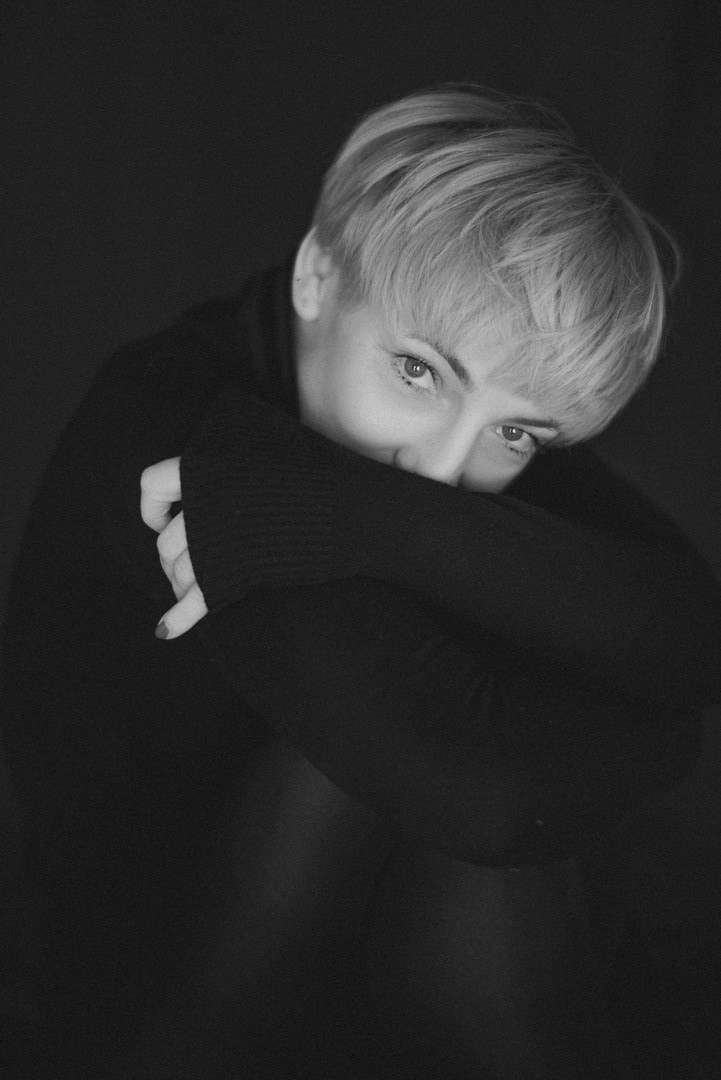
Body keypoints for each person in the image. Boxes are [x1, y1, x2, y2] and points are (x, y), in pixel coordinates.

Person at [3, 84, 720, 1079]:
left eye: (518, 433)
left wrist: (374, 517)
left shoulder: (445, 423)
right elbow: (488, 802)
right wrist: (672, 729)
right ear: (315, 275)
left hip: (367, 934)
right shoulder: (171, 428)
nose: (443, 465)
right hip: (145, 973)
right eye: (418, 372)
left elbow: (692, 621)